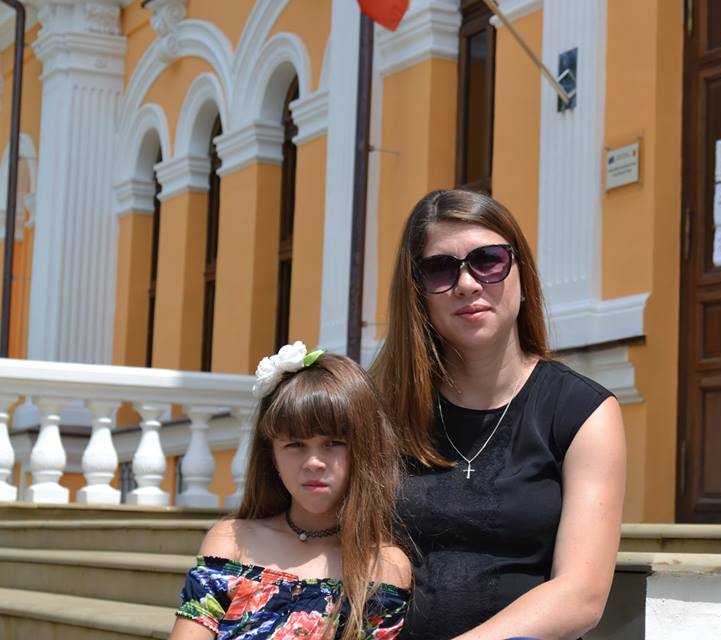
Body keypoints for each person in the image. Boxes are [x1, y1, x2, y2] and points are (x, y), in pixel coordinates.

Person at [371, 190, 627, 640]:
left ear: (522, 273)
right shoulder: (380, 408)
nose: (467, 284)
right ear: (417, 293)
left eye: (488, 261)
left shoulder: (583, 412)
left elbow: (582, 594)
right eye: (441, 268)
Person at [171, 345, 411, 640]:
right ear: (271, 456)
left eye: (333, 443)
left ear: (364, 449)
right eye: (295, 444)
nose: (313, 462)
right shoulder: (231, 542)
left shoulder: (384, 565)